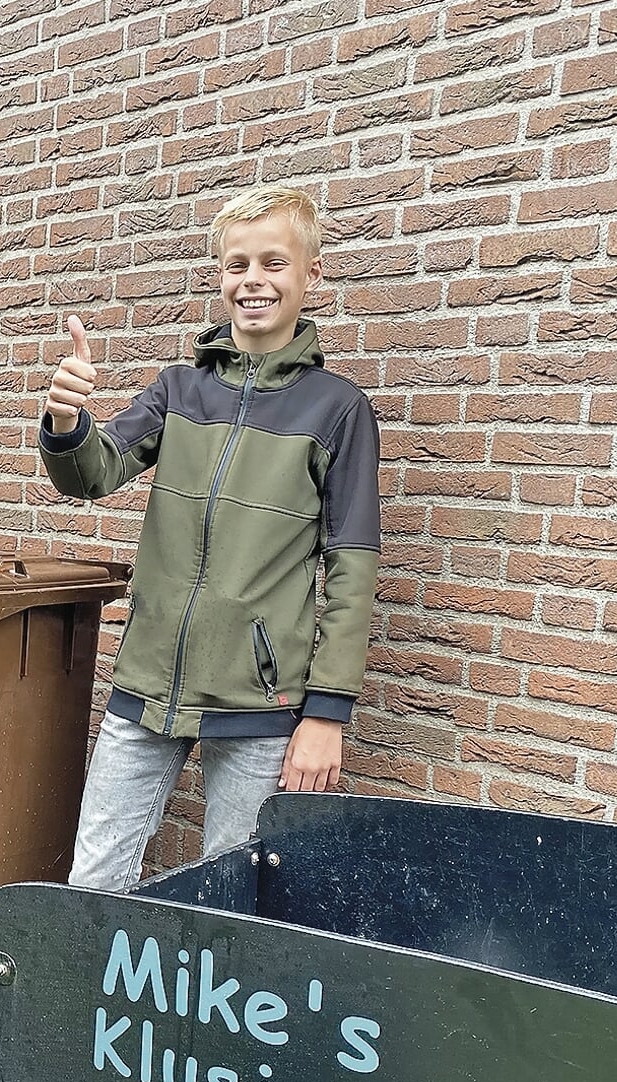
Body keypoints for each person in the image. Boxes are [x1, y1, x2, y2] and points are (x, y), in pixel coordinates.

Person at [38, 183, 381, 892]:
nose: (251, 280)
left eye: (272, 263)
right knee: (93, 882)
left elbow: (351, 570)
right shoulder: (177, 390)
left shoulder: (338, 410)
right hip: (146, 682)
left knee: (228, 901)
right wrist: (68, 422)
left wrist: (326, 713)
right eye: (235, 265)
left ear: (310, 274)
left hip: (259, 706)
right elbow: (92, 475)